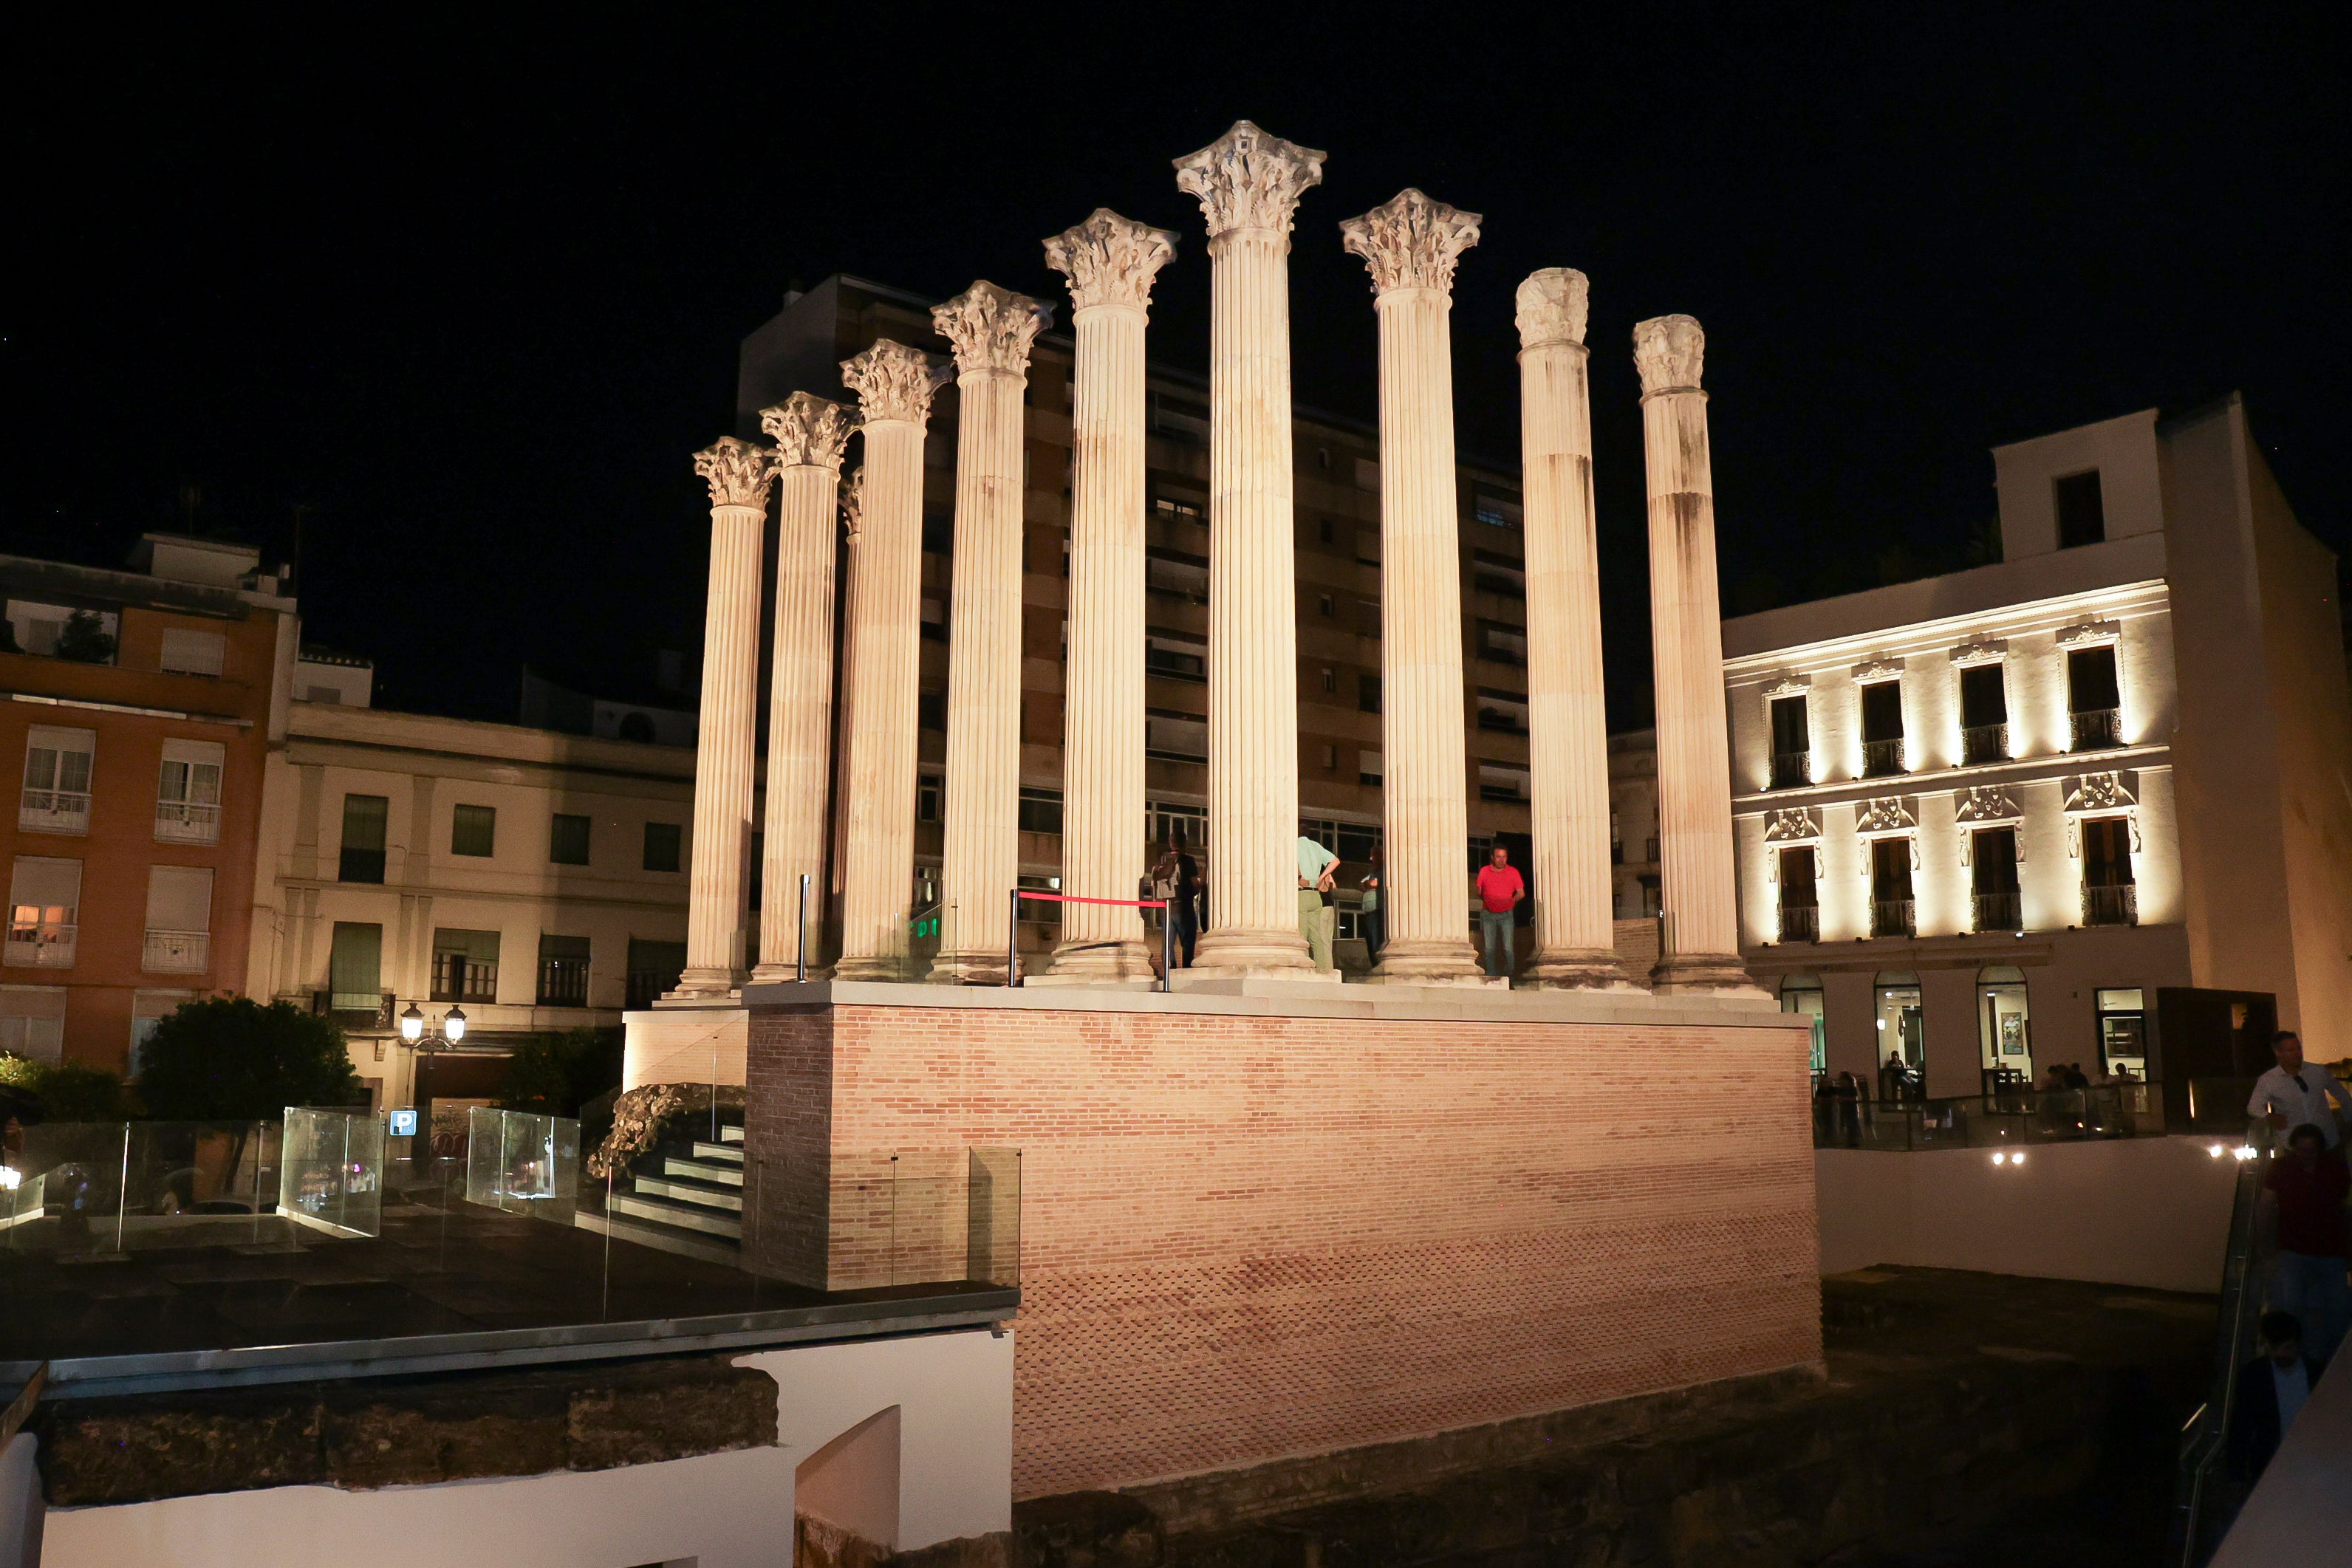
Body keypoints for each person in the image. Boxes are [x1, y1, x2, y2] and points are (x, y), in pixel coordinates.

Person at [2265, 1122, 2351, 1369]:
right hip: (2293, 1248)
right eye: (2300, 1150)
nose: (2304, 1156)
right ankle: (2298, 1363)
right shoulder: (2281, 1168)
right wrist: (2265, 1245)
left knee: (2338, 1311)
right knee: (2293, 1309)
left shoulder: (2334, 1168)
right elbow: (2266, 1205)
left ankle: (2336, 1365)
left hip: (2331, 1250)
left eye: (2309, 1151)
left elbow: (2342, 1205)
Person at [2226, 1311, 2321, 1484]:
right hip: (2273, 1467)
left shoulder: (2317, 1374)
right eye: (2276, 1348)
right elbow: (2241, 1426)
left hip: (2308, 1462)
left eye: (2287, 1348)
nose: (2281, 1355)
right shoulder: (2254, 1376)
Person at [2248, 1030, 2352, 1149]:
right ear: (2278, 1052)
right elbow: (2253, 1107)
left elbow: (2343, 1096)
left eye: (2298, 1049)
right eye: (2291, 1050)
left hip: (2326, 1140)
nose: (2297, 1054)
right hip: (2293, 1144)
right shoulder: (2269, 1080)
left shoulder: (2317, 1072)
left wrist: (2348, 1124)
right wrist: (2269, 1116)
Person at [1474, 844, 1524, 979]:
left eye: (1504, 857)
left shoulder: (1513, 872)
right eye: (1498, 857)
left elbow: (1521, 893)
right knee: (1489, 949)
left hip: (1506, 914)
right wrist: (1489, 901)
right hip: (1488, 913)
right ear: (1492, 858)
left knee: (1508, 948)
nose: (1501, 860)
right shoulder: (1484, 871)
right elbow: (1479, 891)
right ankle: (1491, 976)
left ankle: (1509, 976)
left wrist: (1510, 902)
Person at [1296, 834, 1338, 971]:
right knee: (1317, 937)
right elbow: (1335, 861)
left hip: (1302, 893)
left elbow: (1294, 862)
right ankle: (1323, 970)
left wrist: (1299, 877)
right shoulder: (1316, 846)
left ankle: (1304, 969)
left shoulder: (1294, 844)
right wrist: (1321, 877)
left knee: (1302, 935)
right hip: (1316, 895)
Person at [1359, 846, 1384, 965]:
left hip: (1377, 911)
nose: (1371, 858)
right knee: (1370, 942)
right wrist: (1368, 885)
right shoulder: (1373, 872)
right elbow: (1362, 884)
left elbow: (1373, 884)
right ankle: (1374, 965)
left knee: (1376, 942)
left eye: (1373, 855)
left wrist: (1369, 885)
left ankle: (1377, 965)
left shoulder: (1384, 871)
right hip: (1369, 913)